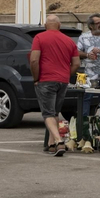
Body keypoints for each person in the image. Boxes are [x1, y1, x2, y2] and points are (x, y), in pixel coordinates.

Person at [29, 14, 80, 157]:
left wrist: (36, 78)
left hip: (46, 80)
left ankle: (59, 141)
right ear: (59, 25)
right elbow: (76, 63)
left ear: (45, 26)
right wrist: (65, 74)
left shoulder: (39, 38)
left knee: (47, 113)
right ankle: (51, 144)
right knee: (54, 112)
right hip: (62, 81)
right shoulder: (69, 41)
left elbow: (34, 60)